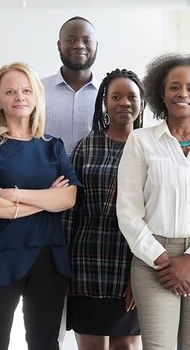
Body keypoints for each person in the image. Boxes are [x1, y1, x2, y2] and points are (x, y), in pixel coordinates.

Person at [117, 53, 190, 349]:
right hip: (153, 260)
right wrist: (162, 260)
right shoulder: (141, 141)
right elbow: (128, 211)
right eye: (174, 87)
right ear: (161, 92)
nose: (182, 93)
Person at [0, 62, 81, 350]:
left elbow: (68, 198)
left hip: (48, 256)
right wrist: (47, 199)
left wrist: (16, 195)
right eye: (10, 91)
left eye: (25, 90)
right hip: (1, 255)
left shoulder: (52, 146)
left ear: (36, 97)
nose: (19, 96)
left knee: (44, 342)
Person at [63, 69, 145, 349]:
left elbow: (155, 216)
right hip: (86, 263)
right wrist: (62, 266)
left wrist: (140, 272)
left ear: (141, 103)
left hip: (131, 260)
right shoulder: (86, 146)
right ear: (105, 103)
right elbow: (70, 210)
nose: (124, 102)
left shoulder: (151, 148)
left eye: (132, 96)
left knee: (127, 346)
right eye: (116, 96)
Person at [43, 16, 100, 156]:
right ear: (59, 45)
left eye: (87, 40)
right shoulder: (37, 90)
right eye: (70, 40)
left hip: (96, 177)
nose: (79, 45)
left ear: (96, 46)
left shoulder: (108, 93)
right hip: (47, 177)